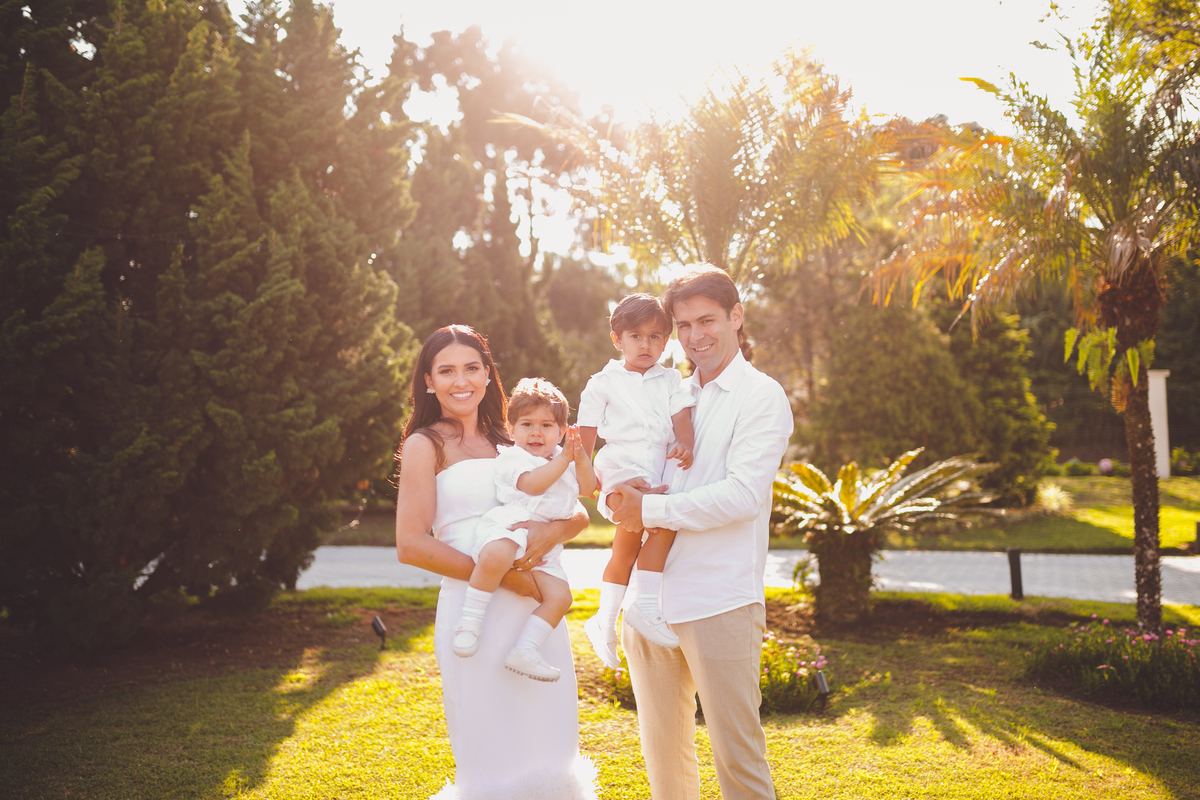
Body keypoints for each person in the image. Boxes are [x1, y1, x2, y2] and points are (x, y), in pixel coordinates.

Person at [606, 266, 794, 800]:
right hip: (650, 602)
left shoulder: (762, 396)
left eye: (707, 319)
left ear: (736, 316)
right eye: (683, 325)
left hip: (719, 599)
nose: (695, 336)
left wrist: (651, 512)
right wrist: (614, 497)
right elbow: (623, 462)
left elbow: (741, 497)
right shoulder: (666, 390)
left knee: (739, 761)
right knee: (665, 763)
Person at [395, 325, 598, 799]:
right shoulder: (427, 444)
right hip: (477, 609)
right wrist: (504, 577)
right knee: (492, 754)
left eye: (471, 367)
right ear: (429, 380)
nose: (460, 380)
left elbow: (577, 509)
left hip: (536, 616)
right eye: (446, 370)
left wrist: (554, 531)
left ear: (488, 375)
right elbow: (410, 544)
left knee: (549, 747)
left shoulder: (517, 435)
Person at [577, 293, 695, 668]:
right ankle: (624, 613)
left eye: (656, 337)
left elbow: (681, 423)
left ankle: (613, 616)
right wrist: (585, 480)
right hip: (620, 467)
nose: (646, 345)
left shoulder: (671, 379)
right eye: (636, 336)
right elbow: (585, 438)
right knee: (638, 533)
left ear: (666, 340)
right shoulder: (602, 383)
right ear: (617, 339)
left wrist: (685, 444)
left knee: (651, 532)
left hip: (657, 470)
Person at [454, 378, 597, 683]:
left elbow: (587, 489)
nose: (536, 432)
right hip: (512, 524)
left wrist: (581, 458)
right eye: (527, 424)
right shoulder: (511, 457)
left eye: (547, 425)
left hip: (546, 545)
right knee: (495, 554)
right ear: (511, 429)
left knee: (561, 597)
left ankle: (526, 649)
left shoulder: (566, 459)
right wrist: (564, 458)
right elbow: (533, 484)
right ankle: (469, 622)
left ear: (561, 432)